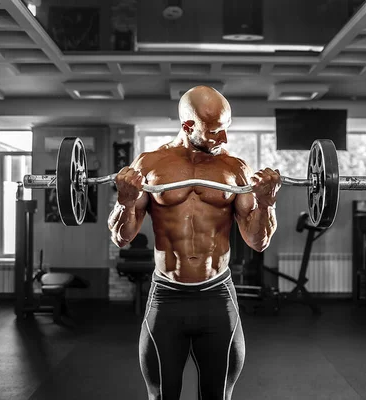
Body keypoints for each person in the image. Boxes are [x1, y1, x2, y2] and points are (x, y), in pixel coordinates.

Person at [108, 85, 281, 400]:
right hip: (166, 298)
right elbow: (122, 237)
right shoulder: (149, 165)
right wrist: (125, 201)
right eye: (215, 132)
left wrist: (266, 203)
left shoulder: (234, 169)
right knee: (161, 396)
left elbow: (258, 243)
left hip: (217, 298)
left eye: (226, 130)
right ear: (188, 127)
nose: (224, 140)